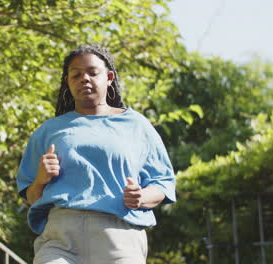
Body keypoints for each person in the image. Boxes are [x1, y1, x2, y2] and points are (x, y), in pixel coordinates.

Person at [16, 44, 176, 264]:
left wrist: (141, 197)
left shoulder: (137, 125)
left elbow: (163, 183)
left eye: (92, 72)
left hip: (120, 239)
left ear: (109, 77)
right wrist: (41, 179)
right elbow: (31, 197)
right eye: (76, 75)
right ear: (67, 82)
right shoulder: (48, 131)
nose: (84, 79)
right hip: (61, 239)